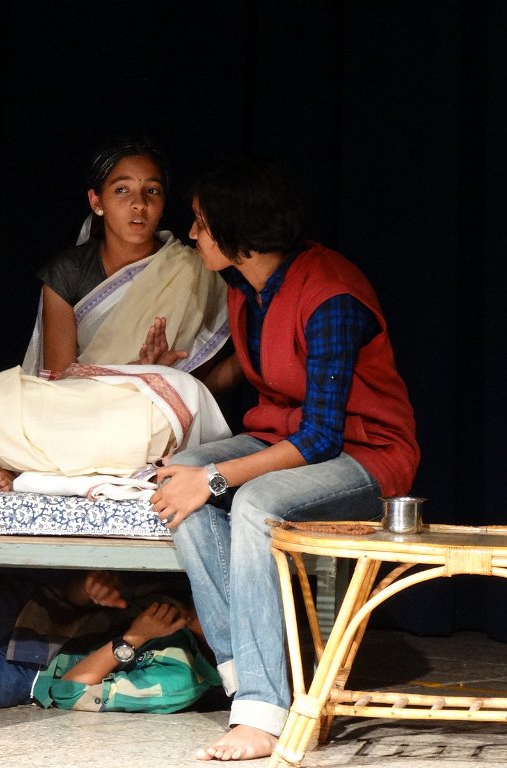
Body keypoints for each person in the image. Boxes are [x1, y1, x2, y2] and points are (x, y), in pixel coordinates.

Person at [150, 157, 419, 761]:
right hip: (287, 438)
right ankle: (244, 677)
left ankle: (263, 712)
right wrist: (180, 381)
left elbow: (322, 437)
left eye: (200, 224)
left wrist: (215, 478)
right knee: (179, 475)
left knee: (250, 501)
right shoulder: (246, 285)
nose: (191, 234)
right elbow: (256, 365)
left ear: (238, 233)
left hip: (366, 454)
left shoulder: (331, 297)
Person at [0, 139, 236, 492]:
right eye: (122, 190)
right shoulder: (67, 271)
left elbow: (198, 392)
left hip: (139, 414)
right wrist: (135, 371)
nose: (139, 203)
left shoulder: (193, 270)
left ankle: (30, 468)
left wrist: (159, 377)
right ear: (97, 202)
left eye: (152, 191)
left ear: (163, 202)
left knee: (155, 419)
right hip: (77, 409)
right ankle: (64, 468)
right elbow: (61, 378)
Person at [0, 569, 220, 715]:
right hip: (31, 615)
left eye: (220, 608)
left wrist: (135, 638)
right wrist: (88, 589)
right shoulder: (184, 597)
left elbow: (68, 691)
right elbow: (69, 591)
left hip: (30, 675)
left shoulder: (179, 682)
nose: (210, 599)